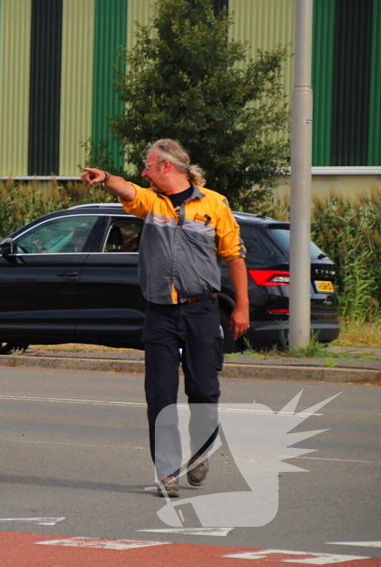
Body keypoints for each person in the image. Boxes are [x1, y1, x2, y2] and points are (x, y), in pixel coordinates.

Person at [81, 139, 249, 499]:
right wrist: (106, 177)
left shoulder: (214, 204)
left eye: (148, 166)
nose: (143, 172)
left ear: (166, 168)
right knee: (160, 394)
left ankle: (201, 452)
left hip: (202, 309)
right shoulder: (152, 203)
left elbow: (234, 256)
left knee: (203, 388)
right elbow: (129, 191)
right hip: (159, 311)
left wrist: (242, 307)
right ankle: (168, 472)